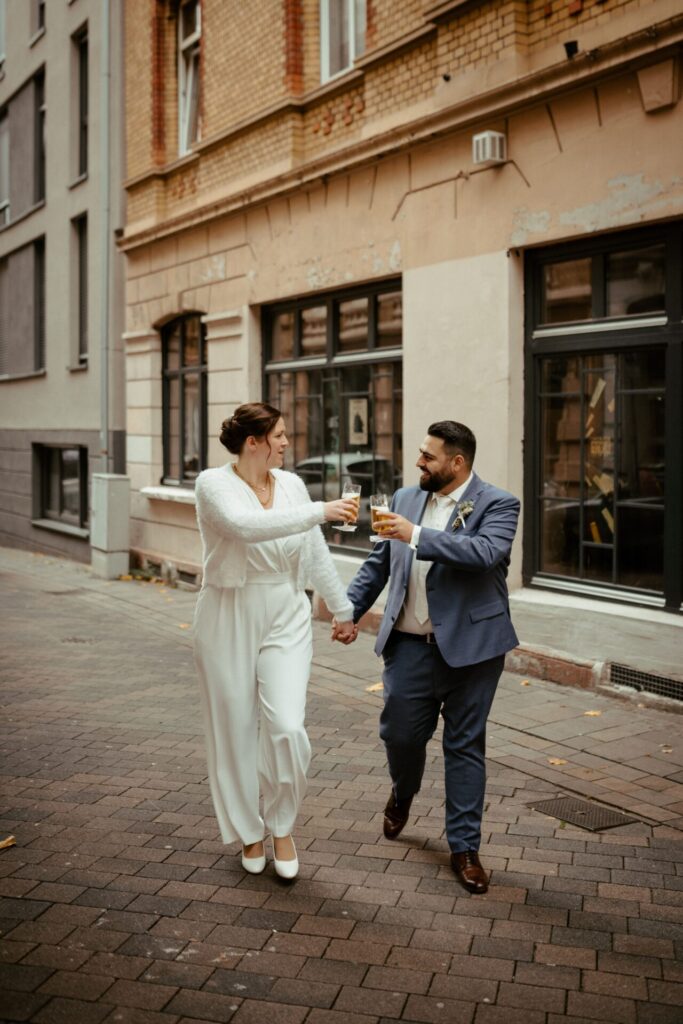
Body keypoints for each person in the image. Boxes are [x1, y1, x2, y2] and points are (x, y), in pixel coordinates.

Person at [332, 421, 520, 894]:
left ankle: (465, 848)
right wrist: (347, 612)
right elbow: (377, 563)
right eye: (420, 453)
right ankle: (403, 791)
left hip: (474, 652)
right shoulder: (403, 499)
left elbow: (483, 552)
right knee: (400, 735)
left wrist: (416, 535)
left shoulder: (499, 504)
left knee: (464, 746)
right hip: (409, 648)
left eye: (429, 456)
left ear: (457, 463)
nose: (419, 462)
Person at [193, 402, 357, 880]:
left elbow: (313, 549)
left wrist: (342, 608)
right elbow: (245, 528)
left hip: (287, 610)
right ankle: (249, 832)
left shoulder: (292, 486)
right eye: (280, 435)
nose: (286, 443)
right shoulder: (212, 485)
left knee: (286, 726)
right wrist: (319, 511)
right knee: (234, 730)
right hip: (228, 610)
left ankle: (281, 826)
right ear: (254, 442)